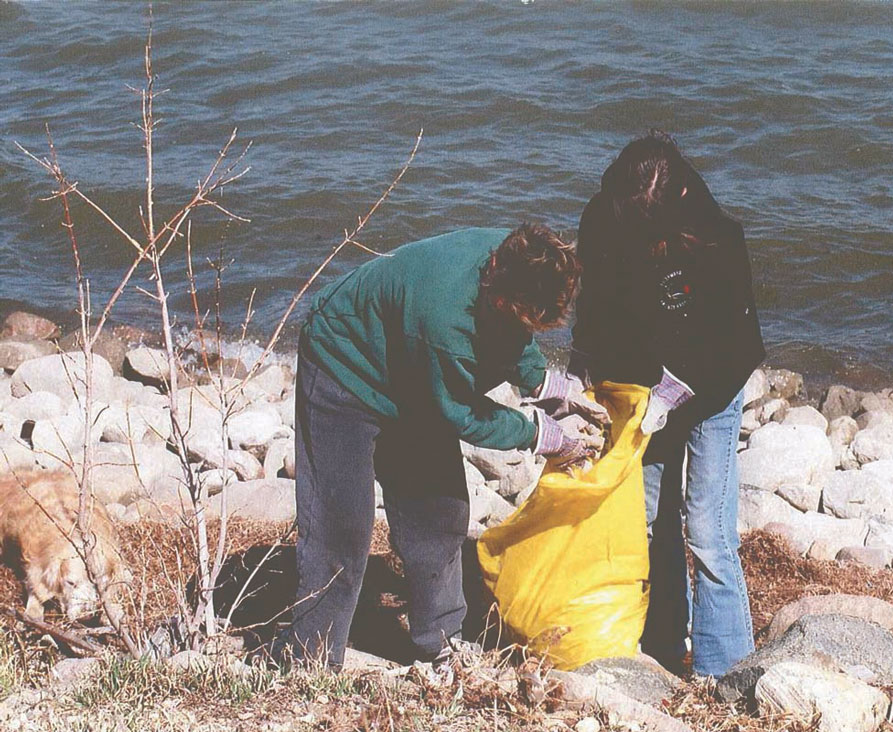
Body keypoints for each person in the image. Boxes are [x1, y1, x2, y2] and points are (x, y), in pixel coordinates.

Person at [292, 224, 608, 668]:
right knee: (340, 527)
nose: (531, 327)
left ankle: (440, 641)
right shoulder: (443, 322)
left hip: (408, 360)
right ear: (501, 297)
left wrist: (543, 380)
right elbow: (461, 413)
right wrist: (540, 434)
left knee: (439, 516)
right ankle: (309, 659)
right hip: (345, 366)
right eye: (528, 317)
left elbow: (515, 333)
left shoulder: (520, 258)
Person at [570, 131, 765, 677]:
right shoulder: (603, 217)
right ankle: (661, 645)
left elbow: (735, 344)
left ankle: (722, 671)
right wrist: (582, 373)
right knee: (652, 522)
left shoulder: (716, 238)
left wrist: (679, 390)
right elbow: (596, 309)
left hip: (711, 391)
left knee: (707, 530)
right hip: (639, 388)